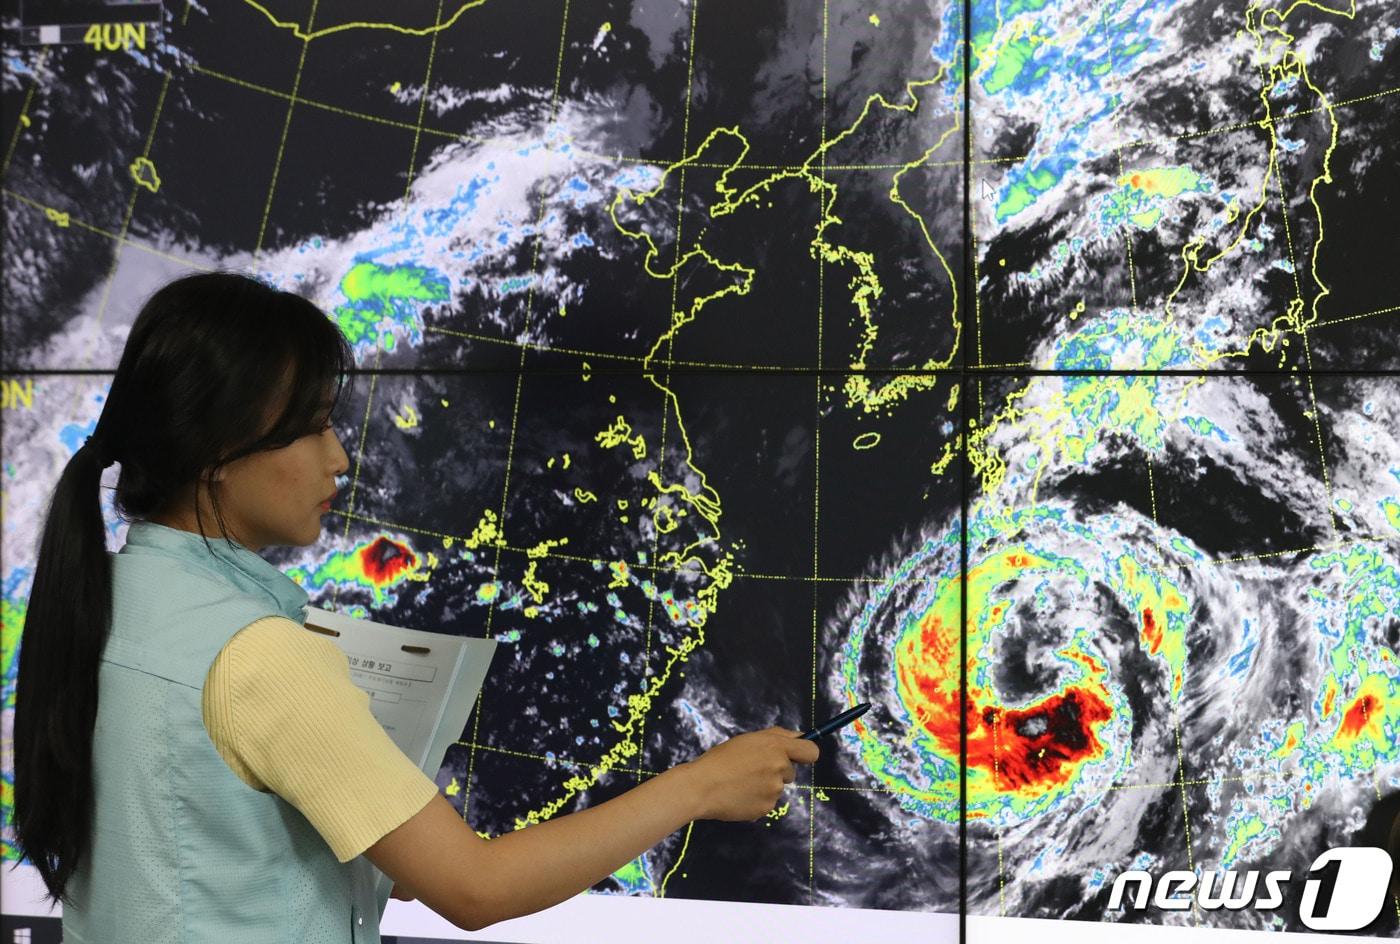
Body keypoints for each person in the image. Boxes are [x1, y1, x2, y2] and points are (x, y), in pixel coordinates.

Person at [10, 272, 820, 941]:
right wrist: (699, 787)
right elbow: (477, 890)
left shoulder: (103, 601)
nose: (339, 458)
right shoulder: (258, 657)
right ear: (219, 453)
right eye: (314, 428)